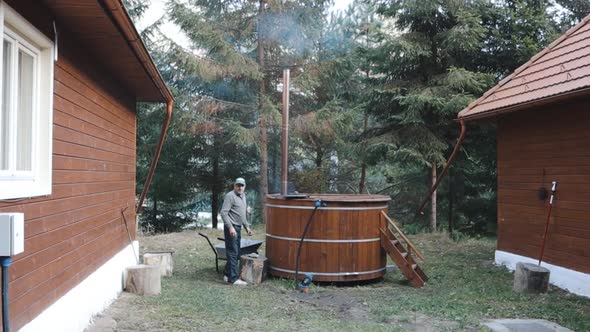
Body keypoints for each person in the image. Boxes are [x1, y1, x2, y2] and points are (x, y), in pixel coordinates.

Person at [220, 177, 253, 285]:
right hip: (232, 227)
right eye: (237, 185)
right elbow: (224, 213)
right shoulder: (230, 196)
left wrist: (247, 227)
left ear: (244, 186)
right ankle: (233, 279)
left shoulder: (243, 196)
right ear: (234, 185)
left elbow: (242, 214)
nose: (239, 187)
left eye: (241, 185)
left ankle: (226, 273)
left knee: (236, 252)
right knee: (233, 252)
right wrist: (230, 227)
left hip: (238, 227)